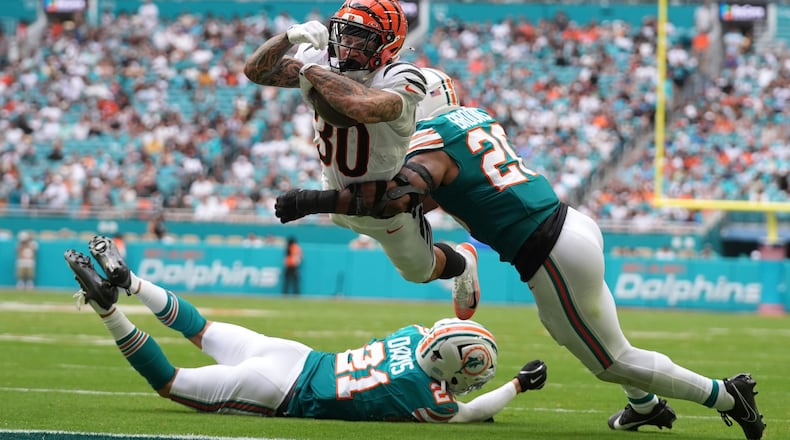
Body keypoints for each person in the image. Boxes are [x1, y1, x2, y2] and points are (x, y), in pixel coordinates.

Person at [272, 68, 766, 439]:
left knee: (610, 359)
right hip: (572, 226)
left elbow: (398, 198)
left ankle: (725, 394)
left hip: (548, 250)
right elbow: (445, 189)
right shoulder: (474, 121)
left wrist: (314, 200)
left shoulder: (432, 143)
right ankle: (643, 404)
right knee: (594, 333)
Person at [62, 235, 548, 422]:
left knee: (203, 330)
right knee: (172, 383)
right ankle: (110, 310)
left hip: (296, 355)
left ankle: (131, 281)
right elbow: (473, 410)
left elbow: (445, 334)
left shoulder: (411, 332)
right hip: (282, 390)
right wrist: (520, 384)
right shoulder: (426, 395)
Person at [243, 0, 480, 320]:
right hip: (338, 190)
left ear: (387, 46)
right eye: (346, 33)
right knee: (349, 214)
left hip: (387, 202)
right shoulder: (324, 60)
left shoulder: (400, 75)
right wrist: (288, 37)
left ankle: (463, 262)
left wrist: (308, 69)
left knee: (418, 271)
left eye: (361, 37)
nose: (348, 45)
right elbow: (255, 70)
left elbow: (357, 107)